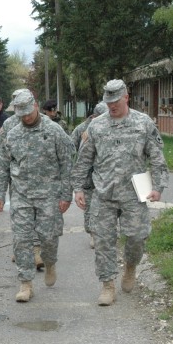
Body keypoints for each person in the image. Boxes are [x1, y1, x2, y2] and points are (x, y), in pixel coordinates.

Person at [71, 79, 169, 306]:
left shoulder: (143, 123)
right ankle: (107, 285)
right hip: (103, 193)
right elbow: (84, 160)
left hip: (135, 192)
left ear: (126, 97)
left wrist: (158, 187)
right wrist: (78, 188)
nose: (112, 105)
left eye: (116, 101)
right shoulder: (96, 126)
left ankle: (131, 267)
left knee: (136, 237)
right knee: (103, 241)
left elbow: (156, 157)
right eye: (108, 101)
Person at [0, 89, 74, 302]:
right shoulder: (13, 133)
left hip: (49, 195)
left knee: (48, 237)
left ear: (36, 106)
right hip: (21, 195)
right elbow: (2, 165)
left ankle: (50, 262)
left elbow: (66, 163)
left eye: (29, 112)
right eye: (22, 114)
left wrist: (66, 195)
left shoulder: (54, 130)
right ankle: (25, 283)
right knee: (21, 239)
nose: (27, 117)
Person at [0, 89, 46, 272]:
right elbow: (0, 156)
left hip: (41, 183)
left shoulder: (43, 122)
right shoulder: (8, 126)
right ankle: (21, 247)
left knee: (38, 218)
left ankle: (36, 250)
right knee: (19, 218)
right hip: (18, 183)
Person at [70, 102, 109, 249]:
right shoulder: (81, 129)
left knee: (105, 205)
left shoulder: (108, 128)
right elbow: (70, 148)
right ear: (94, 116)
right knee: (89, 206)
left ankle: (104, 232)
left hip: (104, 174)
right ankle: (92, 232)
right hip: (87, 175)